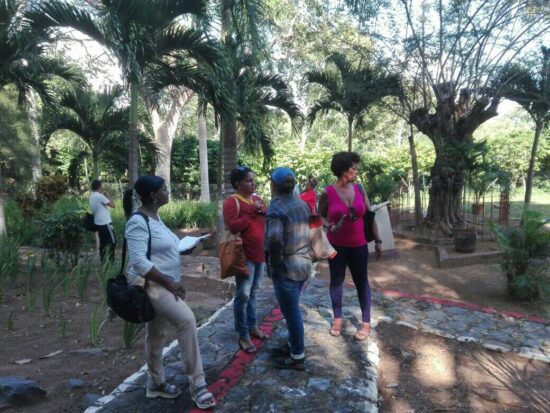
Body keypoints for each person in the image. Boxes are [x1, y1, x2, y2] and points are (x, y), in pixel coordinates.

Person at [122, 176, 216, 410]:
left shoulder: (156, 218)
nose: (168, 191)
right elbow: (139, 262)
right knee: (186, 321)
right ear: (154, 195)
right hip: (151, 286)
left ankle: (156, 383)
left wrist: (188, 247)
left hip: (165, 283)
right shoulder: (137, 221)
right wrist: (169, 283)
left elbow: (162, 251)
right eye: (164, 189)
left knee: (156, 334)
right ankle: (198, 385)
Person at [318, 152, 382, 342]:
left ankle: (366, 323)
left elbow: (370, 217)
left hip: (359, 245)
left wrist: (378, 241)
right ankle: (337, 319)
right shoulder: (327, 192)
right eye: (354, 168)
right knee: (336, 281)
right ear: (343, 171)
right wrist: (329, 225)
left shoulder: (360, 190)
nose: (356, 171)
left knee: (361, 282)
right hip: (336, 246)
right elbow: (320, 216)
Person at [265, 167, 312, 370]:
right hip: (303, 264)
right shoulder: (302, 204)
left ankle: (297, 356)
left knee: (291, 312)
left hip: (287, 266)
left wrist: (274, 264)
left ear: (273, 185)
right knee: (292, 309)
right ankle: (294, 345)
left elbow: (274, 240)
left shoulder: (276, 208)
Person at [223, 166, 268, 354]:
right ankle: (243, 334)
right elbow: (233, 227)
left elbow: (265, 213)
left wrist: (260, 209)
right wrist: (251, 212)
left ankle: (252, 326)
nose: (253, 183)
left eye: (253, 179)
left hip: (260, 255)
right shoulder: (231, 202)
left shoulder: (256, 198)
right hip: (244, 256)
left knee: (254, 292)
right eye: (249, 180)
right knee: (243, 295)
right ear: (237, 184)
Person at [88, 179, 116, 262]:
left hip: (98, 223)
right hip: (106, 223)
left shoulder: (91, 196)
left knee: (103, 243)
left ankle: (103, 261)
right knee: (113, 242)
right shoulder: (100, 197)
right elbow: (113, 205)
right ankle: (111, 262)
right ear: (99, 187)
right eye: (101, 186)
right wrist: (108, 195)